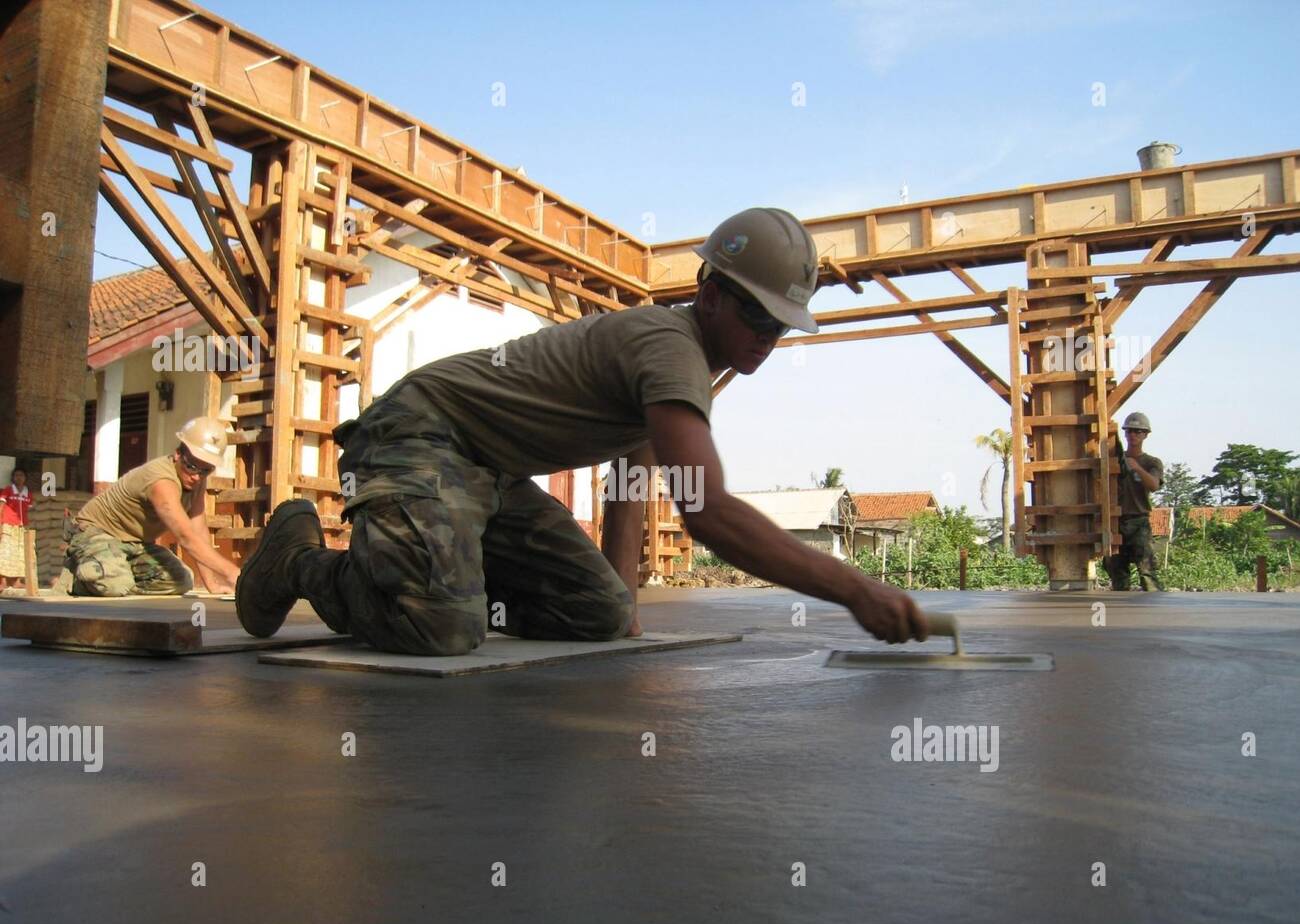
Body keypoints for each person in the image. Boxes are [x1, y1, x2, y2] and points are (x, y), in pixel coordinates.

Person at [237, 207, 928, 653]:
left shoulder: (670, 368)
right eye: (757, 316)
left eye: (780, 325)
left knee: (595, 615)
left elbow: (633, 473)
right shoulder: (671, 347)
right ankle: (303, 560)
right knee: (445, 626)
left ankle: (445, 573)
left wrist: (624, 609)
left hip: (487, 474)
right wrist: (854, 589)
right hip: (419, 435)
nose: (766, 338)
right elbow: (707, 512)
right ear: (711, 294)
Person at [58, 417, 242, 597]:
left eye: (206, 470)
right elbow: (186, 537)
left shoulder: (197, 481)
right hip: (97, 533)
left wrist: (212, 584)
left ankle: (110, 576)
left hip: (137, 543)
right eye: (192, 466)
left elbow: (198, 531)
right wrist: (232, 573)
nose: (196, 476)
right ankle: (80, 577)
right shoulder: (160, 481)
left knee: (182, 581)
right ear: (178, 454)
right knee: (115, 585)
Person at [1105, 411, 1164, 591]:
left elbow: (1154, 485)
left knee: (1147, 571)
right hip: (1116, 521)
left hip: (1139, 521)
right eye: (1129, 431)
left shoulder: (1151, 462)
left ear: (1145, 435)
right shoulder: (1115, 461)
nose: (1133, 435)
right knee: (1117, 571)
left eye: (1138, 432)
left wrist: (1137, 468)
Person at [0, 467, 33, 592]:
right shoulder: (8, 491)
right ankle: (2, 581)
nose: (19, 478)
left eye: (22, 475)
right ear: (13, 477)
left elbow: (28, 511)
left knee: (19, 553)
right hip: (8, 525)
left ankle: (17, 581)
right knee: (5, 553)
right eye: (16, 475)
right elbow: (1, 507)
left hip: (21, 526)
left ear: (25, 478)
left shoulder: (27, 493)